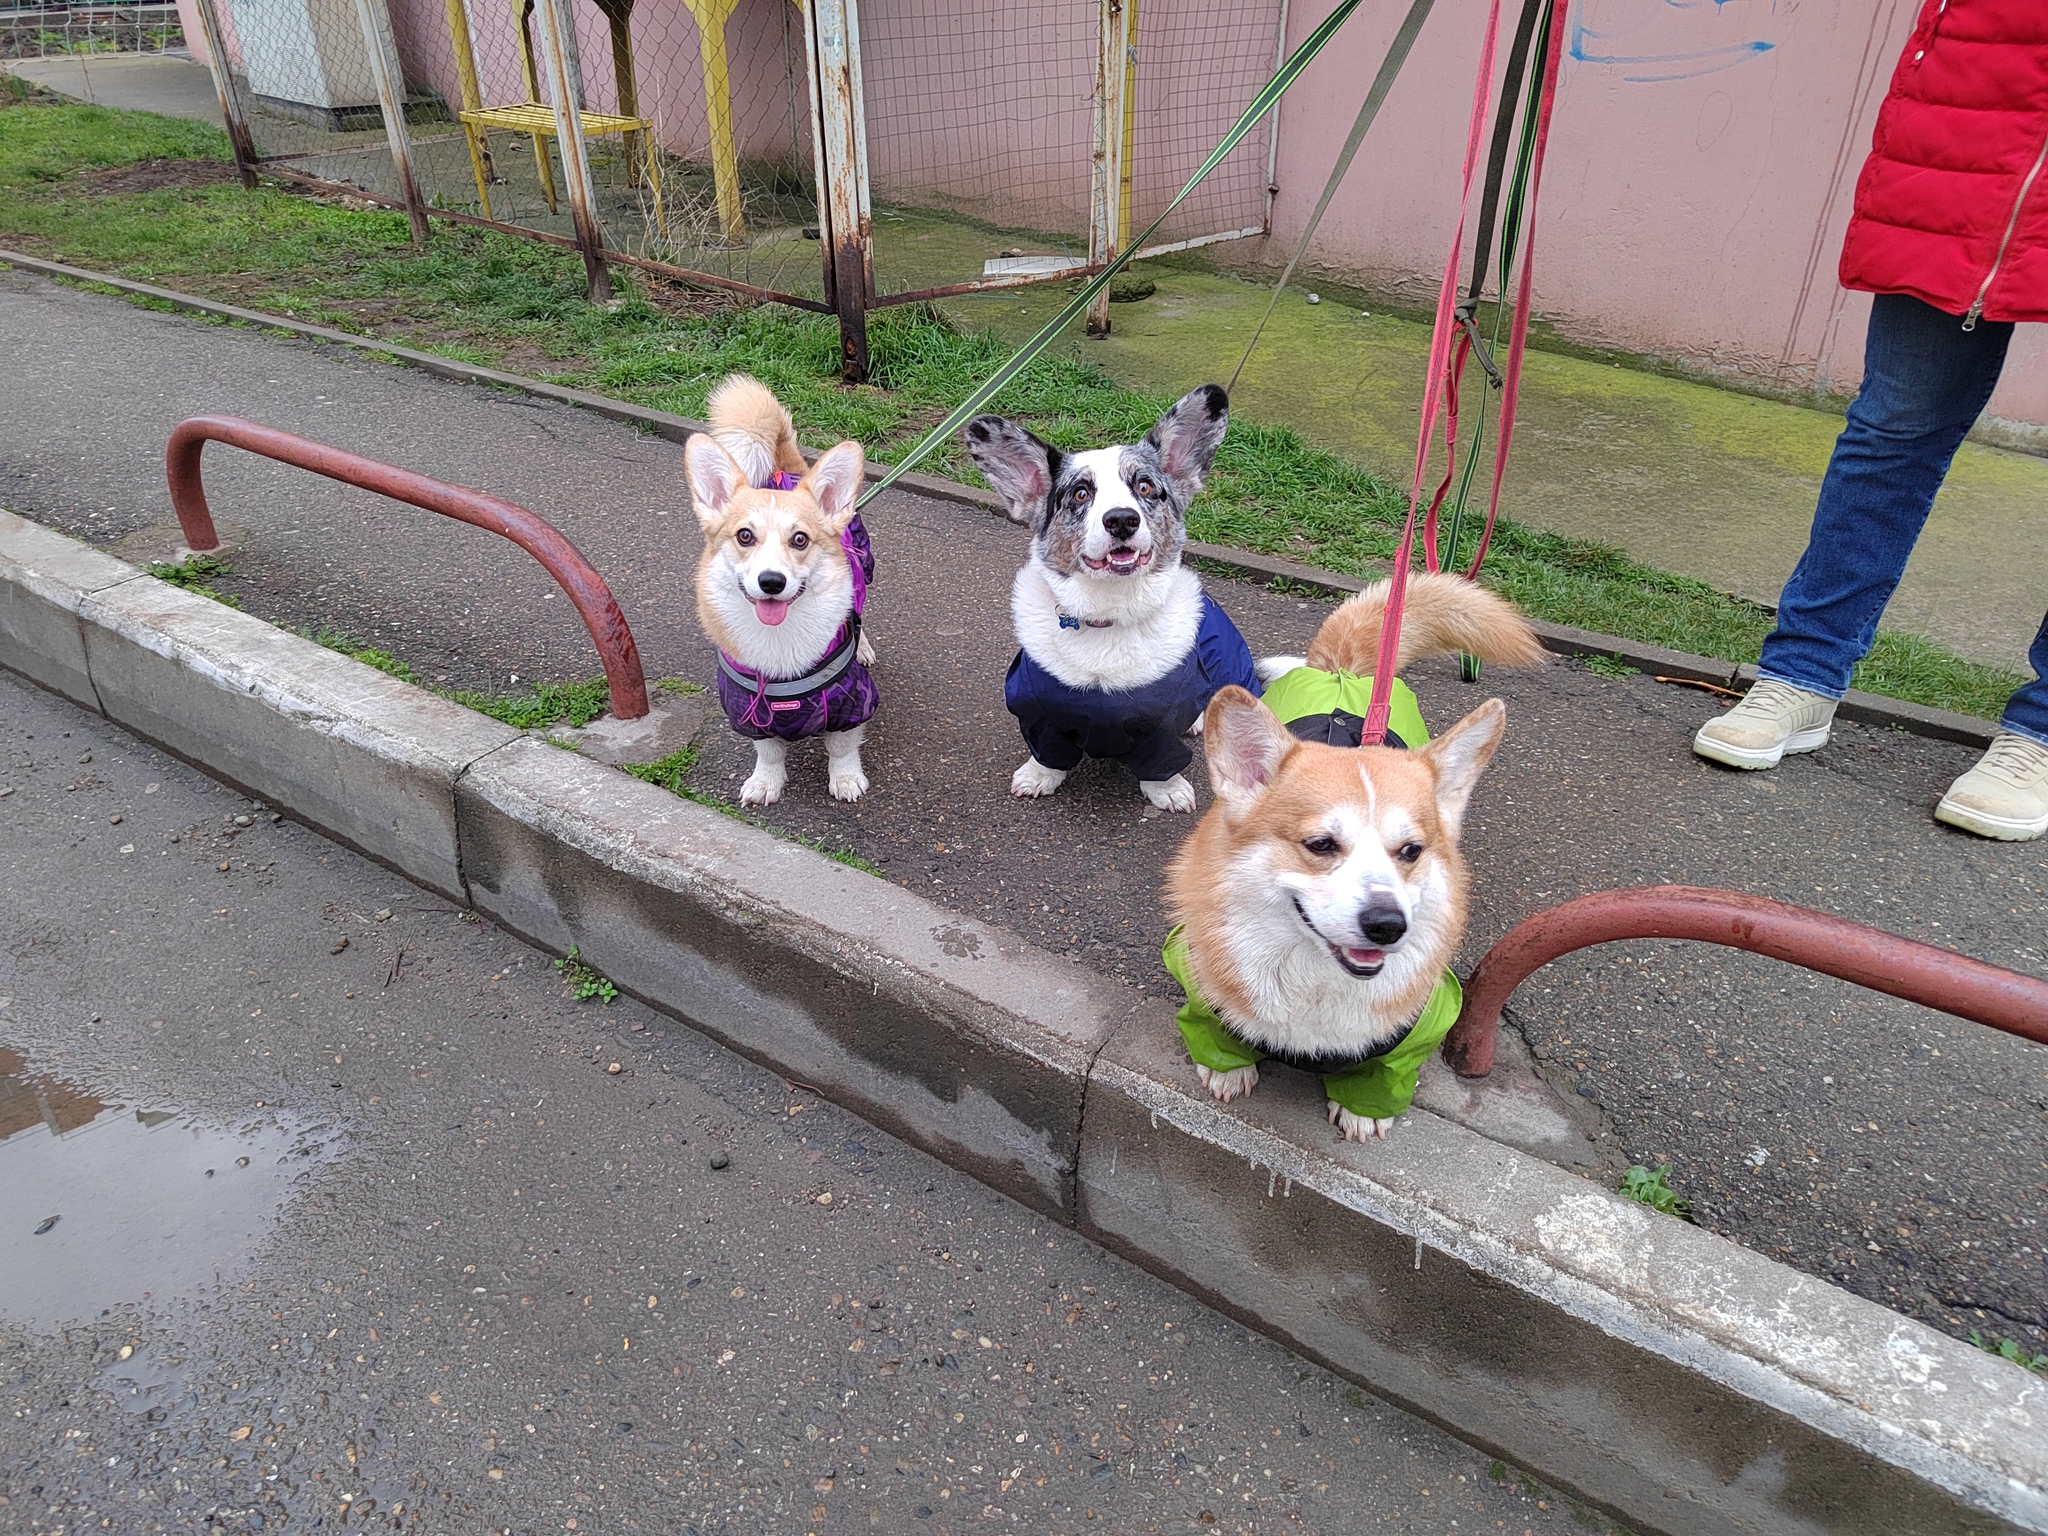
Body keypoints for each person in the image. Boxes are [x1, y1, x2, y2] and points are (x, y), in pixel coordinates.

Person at [1692, 0, 2048, 841]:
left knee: (1894, 427)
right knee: (1893, 426)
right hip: (1975, 118)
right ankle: (1803, 676)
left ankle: (2040, 734)